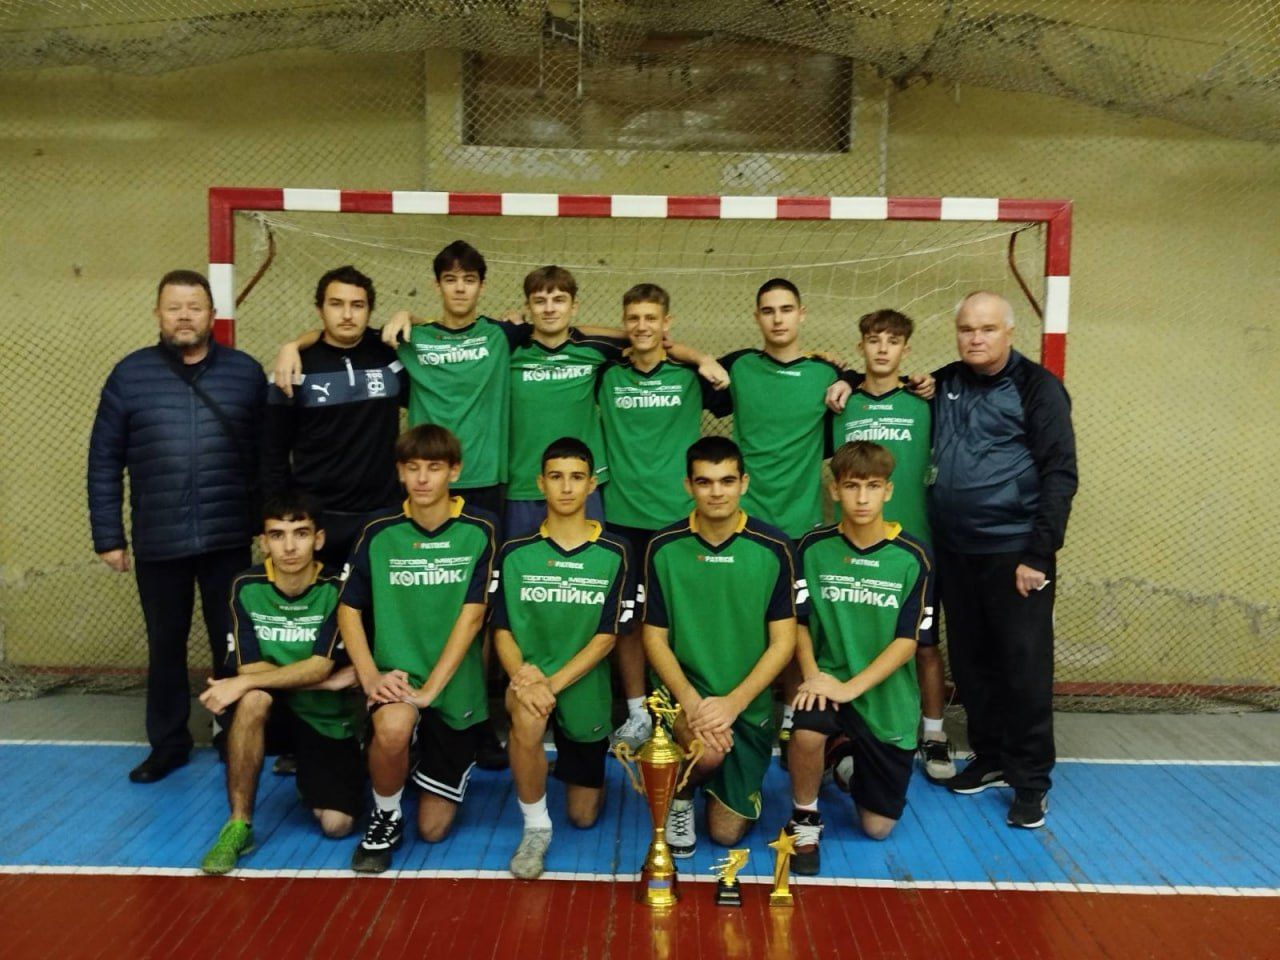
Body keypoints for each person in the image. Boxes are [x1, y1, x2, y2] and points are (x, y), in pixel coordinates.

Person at [88, 269, 266, 783]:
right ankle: (168, 745)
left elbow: (267, 455)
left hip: (228, 537)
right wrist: (109, 536)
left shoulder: (244, 374)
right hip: (159, 540)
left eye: (194, 306)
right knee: (165, 645)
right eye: (174, 307)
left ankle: (232, 733)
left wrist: (267, 523)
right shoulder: (129, 376)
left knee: (231, 642)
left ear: (212, 314)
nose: (184, 316)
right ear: (158, 314)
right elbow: (104, 460)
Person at [928, 291, 1077, 829]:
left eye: (987, 329)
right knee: (972, 664)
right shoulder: (943, 382)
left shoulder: (1039, 388)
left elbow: (1060, 473)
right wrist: (843, 380)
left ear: (1009, 332)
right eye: (967, 328)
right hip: (955, 550)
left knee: (1023, 667)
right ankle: (990, 757)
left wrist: (1038, 552)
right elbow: (887, 390)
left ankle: (1031, 781)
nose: (976, 338)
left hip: (1016, 554)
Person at [337, 425, 497, 872]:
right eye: (412, 468)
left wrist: (432, 692)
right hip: (399, 678)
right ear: (400, 472)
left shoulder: (481, 528)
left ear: (454, 471)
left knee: (433, 830)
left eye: (434, 467)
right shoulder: (378, 530)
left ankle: (417, 762)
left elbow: (473, 617)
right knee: (392, 729)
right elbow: (348, 610)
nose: (423, 479)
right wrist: (371, 677)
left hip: (454, 688)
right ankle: (386, 814)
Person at [783, 441, 935, 874]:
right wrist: (813, 677)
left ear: (888, 491)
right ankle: (805, 819)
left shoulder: (914, 556)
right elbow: (799, 622)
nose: (862, 498)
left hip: (884, 697)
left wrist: (849, 689)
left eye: (872, 486)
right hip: (827, 679)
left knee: (877, 828)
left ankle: (844, 761)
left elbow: (908, 641)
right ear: (835, 491)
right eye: (851, 486)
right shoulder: (812, 547)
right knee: (805, 731)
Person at [643, 436, 797, 856]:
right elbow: (653, 638)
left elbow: (783, 642)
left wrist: (733, 703)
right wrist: (692, 703)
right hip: (683, 697)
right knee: (706, 751)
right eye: (705, 482)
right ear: (688, 485)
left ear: (744, 483)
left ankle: (718, 779)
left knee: (726, 834)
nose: (717, 492)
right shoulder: (662, 547)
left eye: (727, 481)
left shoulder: (775, 548)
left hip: (744, 706)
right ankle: (681, 794)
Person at [490, 438, 634, 880]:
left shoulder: (616, 552)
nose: (566, 487)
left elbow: (607, 639)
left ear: (591, 485)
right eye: (556, 477)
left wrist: (549, 685)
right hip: (528, 679)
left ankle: (566, 767)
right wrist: (524, 679)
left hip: (583, 686)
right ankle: (535, 827)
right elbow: (502, 629)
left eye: (576, 477)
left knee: (584, 816)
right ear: (541, 483)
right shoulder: (514, 552)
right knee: (527, 718)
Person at [198, 495, 362, 874]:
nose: (289, 547)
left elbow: (319, 666)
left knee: (337, 826)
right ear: (263, 542)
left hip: (323, 716)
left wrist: (241, 684)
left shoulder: (338, 587)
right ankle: (238, 826)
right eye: (277, 535)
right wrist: (320, 680)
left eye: (300, 534)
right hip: (272, 711)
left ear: (318, 539)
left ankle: (313, 775)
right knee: (253, 699)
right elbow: (250, 666)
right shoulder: (245, 585)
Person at [503, 265, 727, 541]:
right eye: (540, 301)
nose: (549, 309)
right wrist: (516, 326)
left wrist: (702, 358)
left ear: (574, 306)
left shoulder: (597, 352)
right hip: (523, 486)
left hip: (586, 486)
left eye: (559, 300)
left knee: (592, 562)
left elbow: (651, 343)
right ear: (528, 307)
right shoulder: (508, 347)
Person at [829, 309, 954, 781]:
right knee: (848, 641)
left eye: (893, 341)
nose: (883, 349)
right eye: (874, 340)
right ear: (860, 346)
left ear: (906, 349)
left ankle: (934, 732)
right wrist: (843, 379)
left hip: (914, 547)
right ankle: (839, 732)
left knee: (923, 643)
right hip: (852, 546)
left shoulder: (925, 403)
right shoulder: (840, 404)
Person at [596, 283, 720, 750]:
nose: (642, 326)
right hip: (623, 516)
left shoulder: (690, 377)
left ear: (667, 323)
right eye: (633, 318)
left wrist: (696, 356)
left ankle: (679, 708)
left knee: (677, 619)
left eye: (651, 318)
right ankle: (636, 713)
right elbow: (573, 334)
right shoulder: (606, 374)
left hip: (678, 521)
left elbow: (724, 383)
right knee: (628, 619)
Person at [260, 266, 404, 570]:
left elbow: (440, 335)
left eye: (357, 305)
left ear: (369, 311)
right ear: (320, 309)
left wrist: (408, 314)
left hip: (382, 514)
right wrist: (283, 519)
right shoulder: (293, 367)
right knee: (322, 601)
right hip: (319, 520)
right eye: (336, 304)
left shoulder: (389, 357)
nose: (347, 315)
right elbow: (273, 453)